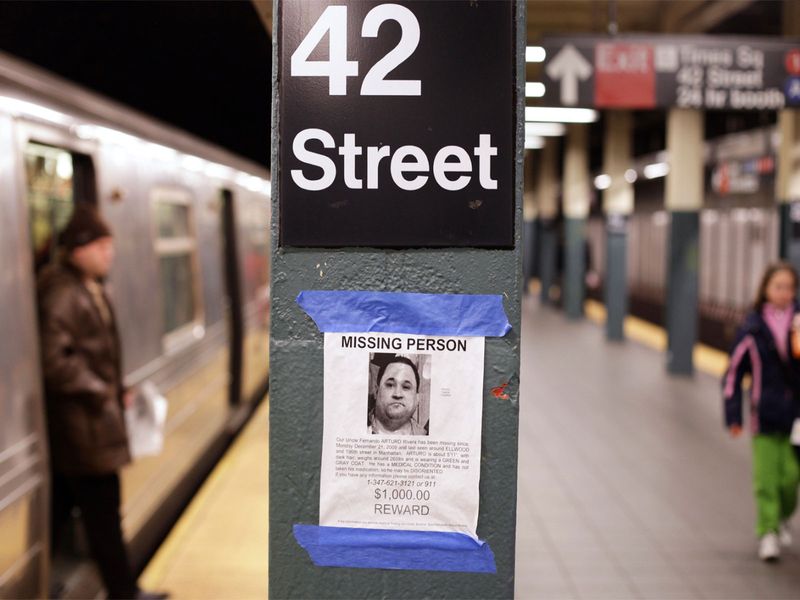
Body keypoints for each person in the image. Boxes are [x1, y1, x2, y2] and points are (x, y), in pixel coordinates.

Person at [37, 204, 167, 600]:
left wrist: (116, 386)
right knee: (103, 514)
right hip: (83, 426)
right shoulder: (64, 293)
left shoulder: (85, 286)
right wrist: (102, 390)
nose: (109, 254)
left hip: (86, 422)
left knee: (66, 508)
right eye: (101, 246)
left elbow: (92, 353)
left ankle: (43, 583)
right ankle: (124, 593)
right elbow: (53, 361)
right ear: (79, 248)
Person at [723, 261, 800, 562]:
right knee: (766, 479)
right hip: (764, 415)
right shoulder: (752, 329)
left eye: (789, 288)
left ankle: (782, 515)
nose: (784, 293)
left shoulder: (798, 324)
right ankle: (768, 530)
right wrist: (733, 416)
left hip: (796, 416)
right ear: (765, 289)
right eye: (778, 287)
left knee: (791, 478)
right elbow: (733, 373)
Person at [368, 356, 427, 435]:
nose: (397, 394)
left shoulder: (426, 436)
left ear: (417, 399)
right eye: (390, 385)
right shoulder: (355, 428)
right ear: (376, 391)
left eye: (406, 387)